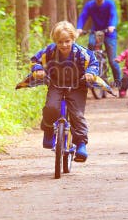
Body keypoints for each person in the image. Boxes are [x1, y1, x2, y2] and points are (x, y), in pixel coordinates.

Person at [30, 21, 99, 162]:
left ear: (73, 39)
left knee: (77, 114)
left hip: (77, 86)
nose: (64, 45)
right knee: (51, 107)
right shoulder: (49, 51)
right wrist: (38, 69)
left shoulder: (81, 53)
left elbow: (93, 62)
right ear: (55, 41)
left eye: (67, 41)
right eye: (60, 42)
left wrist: (90, 72)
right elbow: (35, 60)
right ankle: (48, 129)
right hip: (56, 84)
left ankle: (81, 144)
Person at [76, 0, 121, 92]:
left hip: (109, 32)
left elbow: (113, 15)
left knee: (112, 60)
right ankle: (92, 71)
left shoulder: (109, 3)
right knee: (91, 46)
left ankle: (118, 82)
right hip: (95, 31)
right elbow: (83, 16)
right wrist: (79, 28)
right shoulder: (90, 5)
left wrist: (112, 25)